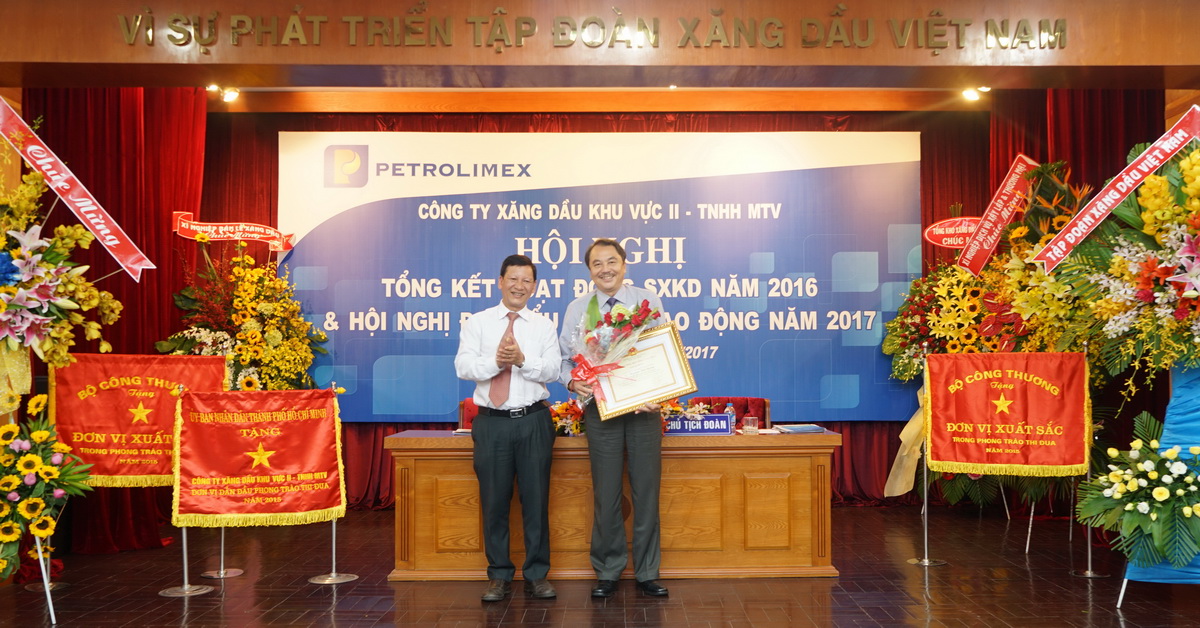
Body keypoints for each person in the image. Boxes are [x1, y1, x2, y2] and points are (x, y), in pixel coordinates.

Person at [559, 238, 670, 598]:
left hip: (642, 411)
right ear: (589, 271)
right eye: (597, 264)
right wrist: (572, 381)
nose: (605, 269)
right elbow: (564, 360)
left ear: (624, 265)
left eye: (611, 261)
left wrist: (656, 392)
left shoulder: (647, 301)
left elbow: (662, 349)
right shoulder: (578, 309)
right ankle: (607, 570)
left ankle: (647, 571)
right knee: (606, 493)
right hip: (600, 411)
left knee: (646, 490)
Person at [454, 254, 561, 602]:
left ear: (535, 286)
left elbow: (553, 370)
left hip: (533, 421)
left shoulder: (543, 326)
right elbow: (463, 367)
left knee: (536, 501)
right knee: (494, 501)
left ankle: (537, 575)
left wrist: (522, 361)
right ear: (500, 281)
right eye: (513, 279)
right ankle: (499, 575)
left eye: (526, 281)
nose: (519, 286)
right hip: (492, 424)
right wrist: (496, 361)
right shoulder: (478, 323)